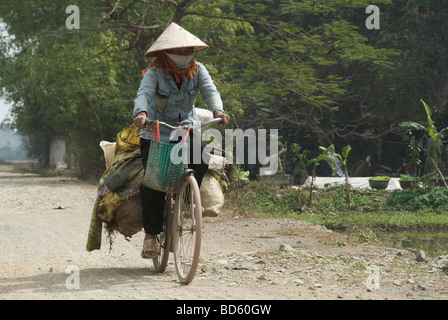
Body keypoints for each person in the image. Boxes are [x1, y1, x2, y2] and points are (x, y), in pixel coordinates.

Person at [132, 22, 230, 259]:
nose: (185, 56)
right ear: (166, 53)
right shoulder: (154, 72)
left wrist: (218, 110)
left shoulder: (198, 70)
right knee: (154, 182)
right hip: (156, 132)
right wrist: (141, 114)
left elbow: (210, 90)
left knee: (202, 158)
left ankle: (186, 199)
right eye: (180, 51)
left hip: (186, 129)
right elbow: (143, 94)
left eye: (189, 51)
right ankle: (150, 236)